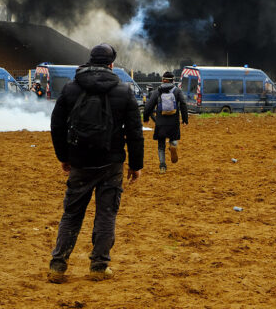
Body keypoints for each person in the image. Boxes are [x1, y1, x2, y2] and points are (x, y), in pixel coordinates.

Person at [48, 43, 143, 283]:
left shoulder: (71, 89)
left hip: (79, 161)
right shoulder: (124, 91)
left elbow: (57, 126)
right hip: (111, 164)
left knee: (71, 214)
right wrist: (135, 164)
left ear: (89, 61)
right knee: (106, 214)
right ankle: (99, 266)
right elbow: (134, 132)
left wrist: (64, 157)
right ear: (112, 65)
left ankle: (58, 266)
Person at [142, 71, 188, 174]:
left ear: (162, 80)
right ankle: (173, 145)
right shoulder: (177, 91)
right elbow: (183, 104)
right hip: (174, 122)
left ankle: (162, 166)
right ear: (173, 81)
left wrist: (146, 118)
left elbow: (148, 106)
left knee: (161, 146)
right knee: (173, 138)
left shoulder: (157, 91)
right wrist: (185, 119)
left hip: (160, 123)